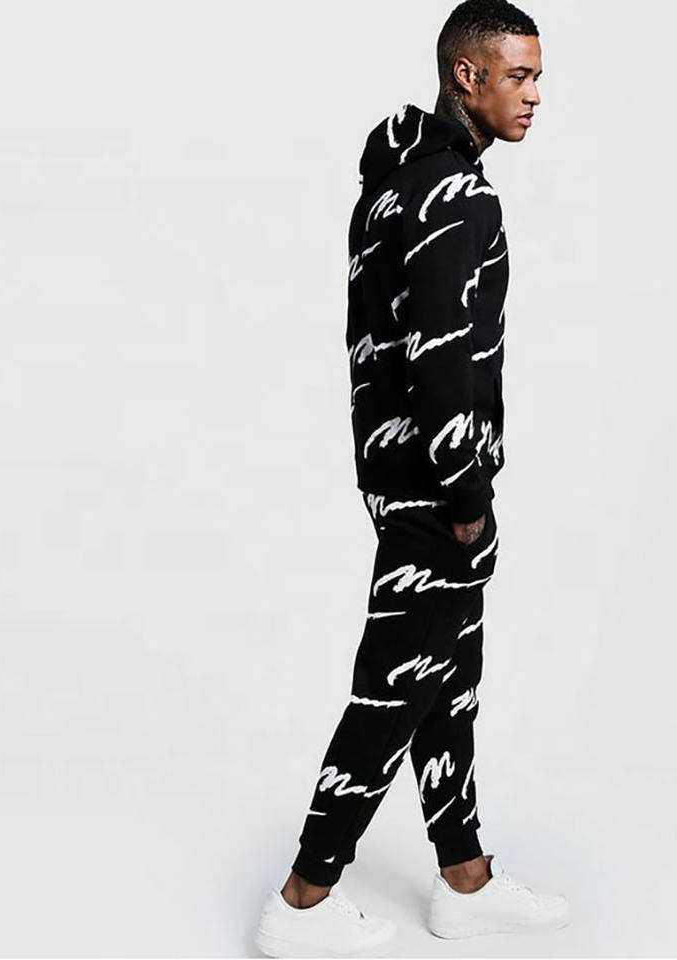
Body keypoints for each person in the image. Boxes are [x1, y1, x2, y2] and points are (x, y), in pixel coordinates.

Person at [255, 1, 568, 955]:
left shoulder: (394, 183)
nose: (535, 96)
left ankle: (463, 881)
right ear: (467, 76)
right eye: (518, 75)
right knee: (394, 689)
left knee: (445, 678)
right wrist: (467, 500)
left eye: (538, 76)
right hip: (439, 486)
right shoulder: (457, 198)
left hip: (397, 471)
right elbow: (443, 358)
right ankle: (302, 902)